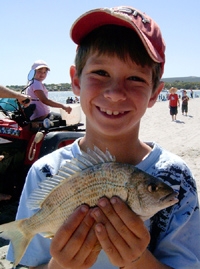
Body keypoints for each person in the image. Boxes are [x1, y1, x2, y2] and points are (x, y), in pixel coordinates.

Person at [7, 6, 200, 269]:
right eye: (100, 73)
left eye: (135, 78)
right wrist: (60, 266)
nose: (115, 92)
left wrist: (138, 260)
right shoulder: (45, 173)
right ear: (76, 81)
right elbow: (29, 265)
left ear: (155, 93)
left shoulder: (176, 179)